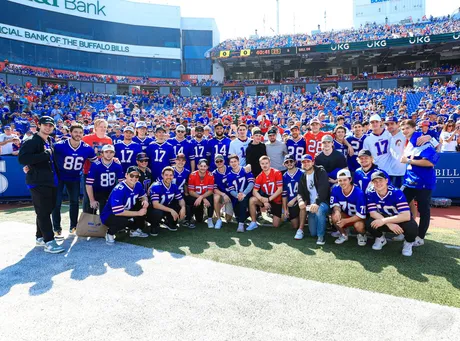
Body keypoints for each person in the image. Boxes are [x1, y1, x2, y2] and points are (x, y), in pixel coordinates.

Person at [18, 116, 64, 254]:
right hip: (38, 182)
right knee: (43, 212)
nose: (48, 127)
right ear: (39, 125)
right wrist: (44, 154)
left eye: (51, 125)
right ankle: (49, 242)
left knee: (47, 209)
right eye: (45, 125)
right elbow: (23, 158)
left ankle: (40, 236)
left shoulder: (49, 140)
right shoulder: (32, 141)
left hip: (51, 180)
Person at [52, 123, 97, 237]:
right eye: (75, 132)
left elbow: (95, 162)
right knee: (56, 203)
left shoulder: (87, 148)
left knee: (75, 202)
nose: (78, 134)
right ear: (71, 132)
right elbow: (47, 157)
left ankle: (73, 226)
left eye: (80, 132)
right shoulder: (59, 146)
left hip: (75, 177)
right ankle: (57, 228)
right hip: (60, 177)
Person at [400, 119, 440, 247]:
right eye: (403, 129)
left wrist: (409, 161)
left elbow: (431, 161)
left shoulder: (420, 139)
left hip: (423, 182)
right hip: (410, 181)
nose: (405, 131)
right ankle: (405, 230)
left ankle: (420, 236)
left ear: (413, 128)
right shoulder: (410, 141)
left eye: (407, 128)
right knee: (399, 204)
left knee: (423, 210)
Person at [365, 171, 418, 257]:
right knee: (369, 223)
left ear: (386, 181)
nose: (378, 183)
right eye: (375, 181)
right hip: (385, 218)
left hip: (399, 219)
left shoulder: (396, 193)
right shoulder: (370, 192)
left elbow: (406, 215)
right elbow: (372, 212)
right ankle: (380, 239)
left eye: (380, 180)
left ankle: (408, 243)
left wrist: (384, 221)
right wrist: (388, 223)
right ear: (371, 183)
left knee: (412, 227)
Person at [101, 166, 149, 245]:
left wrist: (145, 201)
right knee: (123, 221)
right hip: (110, 215)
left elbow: (143, 196)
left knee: (144, 206)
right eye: (131, 176)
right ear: (126, 175)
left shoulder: (138, 184)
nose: (134, 178)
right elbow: (118, 212)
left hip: (126, 210)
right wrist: (138, 213)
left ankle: (135, 230)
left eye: (136, 176)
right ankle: (109, 233)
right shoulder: (119, 190)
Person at [295, 154, 330, 245]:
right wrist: (300, 201)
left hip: (323, 203)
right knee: (313, 233)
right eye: (304, 162)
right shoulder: (303, 176)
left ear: (313, 162)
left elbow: (323, 189)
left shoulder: (320, 171)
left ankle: (321, 236)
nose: (306, 163)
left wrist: (316, 202)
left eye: (308, 161)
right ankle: (321, 225)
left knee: (319, 210)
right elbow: (299, 193)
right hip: (311, 206)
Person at [82, 118, 113, 213]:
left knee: (103, 200)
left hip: (103, 174)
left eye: (105, 127)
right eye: (101, 126)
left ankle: (102, 225)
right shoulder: (86, 138)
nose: (103, 129)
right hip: (89, 171)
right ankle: (87, 224)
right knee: (88, 200)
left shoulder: (108, 140)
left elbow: (110, 155)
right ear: (95, 127)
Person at [330, 169, 367, 246]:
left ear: (350, 179)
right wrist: (337, 211)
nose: (342, 183)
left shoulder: (358, 193)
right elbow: (335, 204)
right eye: (340, 180)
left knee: (359, 225)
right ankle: (343, 234)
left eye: (344, 180)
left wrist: (345, 221)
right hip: (346, 214)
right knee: (334, 216)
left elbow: (361, 215)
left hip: (358, 217)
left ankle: (362, 235)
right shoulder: (336, 189)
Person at [147, 167, 186, 236]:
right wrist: (171, 210)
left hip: (166, 207)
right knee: (157, 212)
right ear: (162, 175)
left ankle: (169, 222)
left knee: (180, 207)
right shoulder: (156, 186)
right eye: (166, 175)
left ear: (173, 176)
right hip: (153, 210)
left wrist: (183, 207)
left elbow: (180, 199)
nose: (169, 177)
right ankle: (154, 225)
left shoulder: (174, 186)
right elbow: (155, 205)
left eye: (171, 175)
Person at [86, 144, 124, 214]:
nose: (109, 154)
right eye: (106, 152)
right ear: (102, 153)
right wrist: (92, 200)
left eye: (111, 152)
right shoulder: (96, 165)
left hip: (110, 192)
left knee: (107, 211)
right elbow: (89, 184)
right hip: (97, 191)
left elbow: (121, 183)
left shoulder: (117, 165)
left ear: (114, 153)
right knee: (89, 209)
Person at [249, 156, 283, 230]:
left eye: (266, 163)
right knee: (252, 199)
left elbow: (280, 190)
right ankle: (253, 222)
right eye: (262, 163)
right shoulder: (259, 176)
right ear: (260, 164)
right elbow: (254, 192)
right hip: (266, 198)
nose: (264, 165)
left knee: (276, 225)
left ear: (270, 163)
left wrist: (268, 199)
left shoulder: (277, 173)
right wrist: (263, 200)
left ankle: (280, 214)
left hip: (276, 200)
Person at [226, 154, 255, 233]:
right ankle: (244, 217)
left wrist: (244, 194)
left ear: (238, 161)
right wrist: (237, 195)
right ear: (229, 164)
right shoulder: (229, 175)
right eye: (231, 162)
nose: (233, 163)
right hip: (236, 196)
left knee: (242, 202)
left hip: (247, 194)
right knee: (238, 216)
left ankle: (241, 225)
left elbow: (251, 183)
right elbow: (231, 190)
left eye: (235, 161)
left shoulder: (245, 170)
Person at [186, 159, 215, 228]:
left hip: (205, 195)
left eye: (205, 166)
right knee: (199, 220)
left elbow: (210, 191)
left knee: (211, 197)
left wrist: (202, 197)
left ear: (207, 167)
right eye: (201, 166)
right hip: (196, 196)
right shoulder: (192, 175)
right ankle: (190, 217)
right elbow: (191, 191)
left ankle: (210, 218)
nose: (203, 168)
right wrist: (200, 197)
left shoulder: (210, 175)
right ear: (198, 166)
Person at [282, 154, 303, 231]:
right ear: (284, 164)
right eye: (287, 162)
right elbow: (284, 194)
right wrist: (285, 209)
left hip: (302, 200)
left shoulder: (302, 173)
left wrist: (295, 199)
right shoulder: (284, 176)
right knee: (294, 226)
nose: (289, 163)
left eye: (291, 161)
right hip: (291, 204)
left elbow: (304, 190)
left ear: (295, 162)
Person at [212, 154, 233, 229]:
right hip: (222, 195)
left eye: (221, 161)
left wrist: (248, 166)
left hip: (232, 195)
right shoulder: (214, 173)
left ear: (224, 161)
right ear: (215, 162)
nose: (219, 162)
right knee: (216, 196)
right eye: (217, 161)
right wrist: (223, 194)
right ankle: (218, 219)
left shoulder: (230, 168)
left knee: (228, 219)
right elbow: (214, 189)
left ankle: (225, 210)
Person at [385, 117, 406, 188]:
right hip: (390, 172)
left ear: (397, 124)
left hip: (403, 172)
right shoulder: (387, 136)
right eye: (387, 124)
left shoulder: (404, 135)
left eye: (392, 124)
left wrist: (428, 137)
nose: (389, 126)